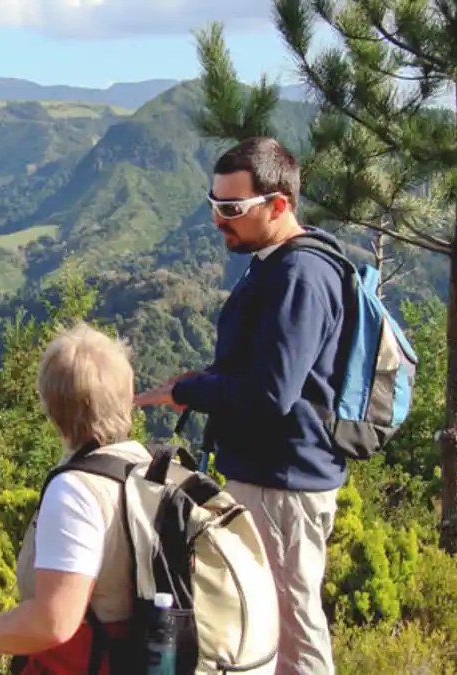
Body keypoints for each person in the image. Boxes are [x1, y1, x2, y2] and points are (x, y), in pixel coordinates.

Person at [135, 136, 346, 674]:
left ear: (278, 205)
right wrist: (202, 382)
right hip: (272, 474)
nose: (218, 220)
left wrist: (188, 392)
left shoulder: (300, 275)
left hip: (285, 482)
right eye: (213, 205)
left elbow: (270, 395)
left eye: (232, 209)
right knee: (269, 616)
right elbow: (262, 371)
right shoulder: (275, 261)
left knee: (292, 625)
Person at [0, 322, 150, 674]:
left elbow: (53, 621)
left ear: (51, 410)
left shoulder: (77, 491)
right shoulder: (151, 473)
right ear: (130, 395)